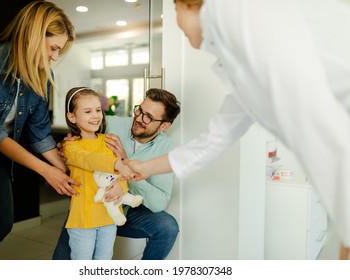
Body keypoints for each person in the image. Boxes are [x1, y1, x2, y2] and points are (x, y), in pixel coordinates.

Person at [127, 0, 350, 259]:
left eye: (174, 9)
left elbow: (319, 126)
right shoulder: (239, 59)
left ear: (188, 4)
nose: (177, 23)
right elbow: (214, 141)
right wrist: (142, 168)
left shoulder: (239, 12)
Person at [53, 88, 181, 260]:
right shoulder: (110, 124)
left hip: (125, 210)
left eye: (148, 117)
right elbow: (84, 145)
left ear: (164, 126)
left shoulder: (166, 148)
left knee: (168, 227)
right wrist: (68, 143)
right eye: (140, 110)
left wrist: (126, 167)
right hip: (90, 205)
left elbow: (159, 202)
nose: (139, 118)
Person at [0, 1, 79, 251]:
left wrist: (70, 171)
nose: (54, 57)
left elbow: (40, 135)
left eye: (58, 52)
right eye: (53, 48)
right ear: (33, 34)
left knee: (2, 222)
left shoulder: (42, 80)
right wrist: (46, 171)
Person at [63, 87, 138, 260]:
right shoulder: (71, 146)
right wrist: (116, 163)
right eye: (88, 111)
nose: (96, 115)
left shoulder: (109, 141)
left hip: (109, 219)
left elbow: (119, 174)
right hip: (83, 221)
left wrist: (121, 186)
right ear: (72, 117)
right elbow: (89, 160)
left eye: (98, 110)